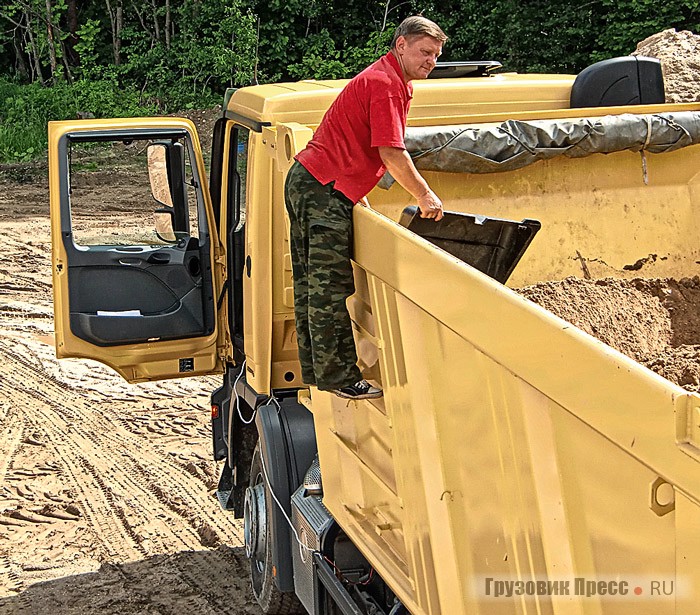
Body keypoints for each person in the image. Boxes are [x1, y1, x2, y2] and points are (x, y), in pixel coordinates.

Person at [284, 15, 447, 400]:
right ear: (401, 45)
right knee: (327, 287)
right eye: (425, 52)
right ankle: (339, 378)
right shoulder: (386, 84)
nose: (431, 62)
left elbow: (356, 144)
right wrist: (424, 194)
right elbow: (390, 151)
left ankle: (320, 373)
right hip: (323, 187)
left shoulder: (387, 80)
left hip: (314, 181)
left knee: (312, 285)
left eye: (436, 55)